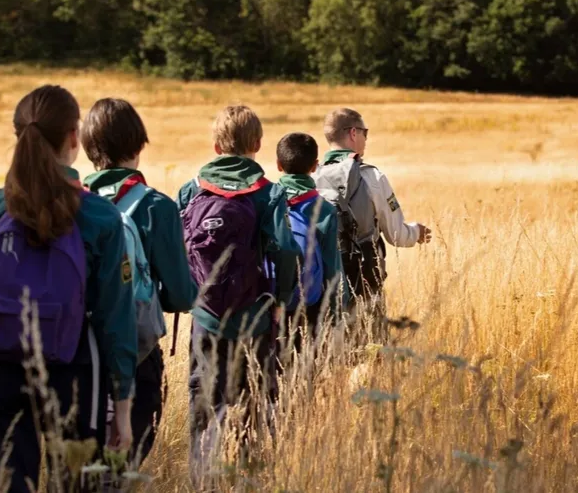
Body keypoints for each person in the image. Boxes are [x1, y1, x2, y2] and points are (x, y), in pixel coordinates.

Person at [0, 85, 136, 493]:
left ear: (18, 136)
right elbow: (116, 317)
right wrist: (122, 406)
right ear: (74, 138)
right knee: (74, 484)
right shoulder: (99, 216)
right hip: (72, 368)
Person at [177, 105, 300, 462]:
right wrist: (281, 300)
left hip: (206, 317)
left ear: (216, 146)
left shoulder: (191, 191)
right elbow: (286, 251)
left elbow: (175, 248)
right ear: (258, 144)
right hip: (255, 318)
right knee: (256, 402)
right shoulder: (268, 193)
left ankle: (203, 477)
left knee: (204, 403)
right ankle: (250, 472)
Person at [80, 97, 198, 467]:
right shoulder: (155, 207)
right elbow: (181, 296)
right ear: (138, 145)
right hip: (136, 352)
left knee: (77, 469)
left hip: (72, 352)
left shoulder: (67, 203)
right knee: (122, 466)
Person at [314, 108, 432, 329]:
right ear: (353, 133)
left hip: (322, 280)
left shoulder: (313, 176)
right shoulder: (372, 176)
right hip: (365, 277)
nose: (366, 138)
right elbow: (397, 235)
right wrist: (416, 232)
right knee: (371, 348)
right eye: (364, 132)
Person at [274, 132, 349, 344]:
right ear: (315, 166)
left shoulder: (267, 202)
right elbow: (332, 266)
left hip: (269, 306)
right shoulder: (323, 210)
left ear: (279, 165)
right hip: (310, 307)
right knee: (308, 371)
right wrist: (337, 310)